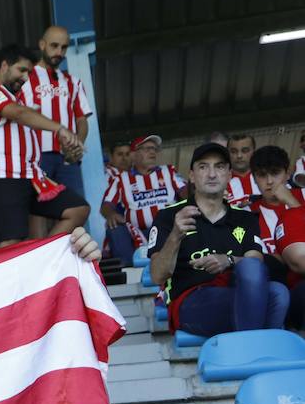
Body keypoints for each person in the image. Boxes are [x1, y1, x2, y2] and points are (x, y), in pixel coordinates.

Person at [148, 142, 287, 336]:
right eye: (203, 167)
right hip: (191, 299)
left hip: (238, 290)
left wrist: (228, 260)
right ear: (191, 175)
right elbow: (157, 275)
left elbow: (256, 261)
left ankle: (246, 350)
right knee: (264, 299)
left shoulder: (245, 217)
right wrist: (175, 235)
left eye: (219, 166)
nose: (212, 174)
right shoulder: (169, 216)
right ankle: (256, 352)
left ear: (229, 175)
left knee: (279, 293)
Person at [0, 44, 88, 248]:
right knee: (12, 242)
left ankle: (40, 258)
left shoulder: (17, 99)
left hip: (28, 176)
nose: (25, 77)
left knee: (77, 209)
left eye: (29, 72)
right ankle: (10, 278)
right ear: (4, 66)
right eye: (21, 70)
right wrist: (60, 129)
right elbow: (19, 114)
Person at [19, 26, 92, 216]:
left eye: (64, 47)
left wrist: (78, 145)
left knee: (76, 209)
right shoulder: (23, 78)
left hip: (67, 159)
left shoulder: (73, 82)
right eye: (54, 46)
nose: (59, 52)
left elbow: (82, 119)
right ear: (42, 45)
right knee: (38, 214)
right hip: (34, 157)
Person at [101, 134, 185, 264]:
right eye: (147, 149)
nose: (152, 152)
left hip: (168, 229)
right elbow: (106, 205)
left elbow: (185, 192)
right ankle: (130, 270)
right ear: (134, 155)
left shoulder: (168, 171)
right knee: (114, 228)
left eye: (154, 149)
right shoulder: (121, 179)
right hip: (137, 233)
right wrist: (111, 214)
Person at [249, 145, 302, 256]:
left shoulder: (304, 195)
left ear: (288, 174)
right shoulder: (248, 214)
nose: (269, 181)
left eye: (275, 172)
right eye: (262, 175)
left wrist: (292, 203)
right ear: (254, 178)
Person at [225, 133, 259, 207]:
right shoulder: (220, 184)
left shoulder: (267, 178)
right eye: (234, 151)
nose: (239, 156)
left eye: (245, 151)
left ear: (254, 152)